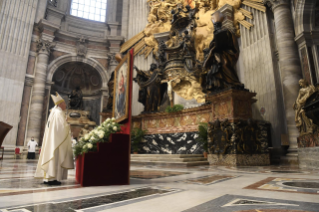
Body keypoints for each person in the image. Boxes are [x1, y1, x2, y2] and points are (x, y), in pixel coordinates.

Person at [35, 92, 74, 185]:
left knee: (52, 158)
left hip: (53, 140)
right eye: (64, 103)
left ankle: (48, 178)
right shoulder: (58, 113)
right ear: (60, 104)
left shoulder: (54, 112)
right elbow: (60, 127)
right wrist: (68, 126)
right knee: (55, 157)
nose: (65, 105)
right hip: (56, 141)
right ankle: (53, 178)